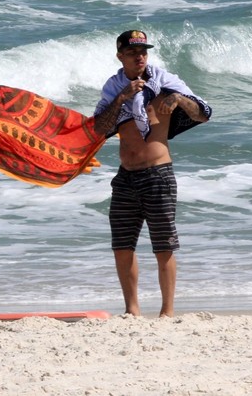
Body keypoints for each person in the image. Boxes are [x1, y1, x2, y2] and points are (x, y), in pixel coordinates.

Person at [93, 30, 212, 317]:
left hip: (157, 174)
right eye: (133, 52)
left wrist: (179, 100)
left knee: (164, 246)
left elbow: (203, 112)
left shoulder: (164, 80)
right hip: (125, 176)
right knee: (122, 245)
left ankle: (167, 312)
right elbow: (99, 128)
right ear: (120, 55)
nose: (140, 56)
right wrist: (122, 98)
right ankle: (132, 309)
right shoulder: (113, 86)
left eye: (144, 51)